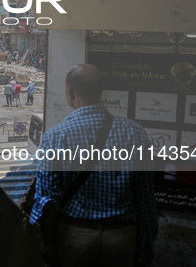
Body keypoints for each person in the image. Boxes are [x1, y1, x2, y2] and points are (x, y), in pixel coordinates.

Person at [29, 64, 158, 267]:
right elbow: (145, 197)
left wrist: (47, 244)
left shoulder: (56, 136)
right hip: (122, 235)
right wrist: (145, 245)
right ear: (100, 91)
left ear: (70, 92)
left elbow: (47, 199)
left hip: (75, 235)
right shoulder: (136, 133)